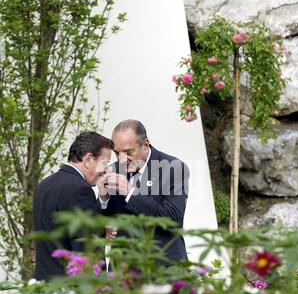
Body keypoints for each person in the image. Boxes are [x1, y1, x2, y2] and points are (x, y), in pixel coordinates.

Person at [99, 120, 189, 262]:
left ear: (145, 145)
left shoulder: (173, 167)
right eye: (117, 153)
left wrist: (130, 192)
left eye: (128, 152)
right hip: (124, 269)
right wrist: (103, 198)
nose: (122, 160)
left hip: (163, 265)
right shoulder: (114, 169)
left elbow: (173, 219)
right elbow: (110, 217)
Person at [33, 131, 114, 281]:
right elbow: (87, 247)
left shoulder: (44, 184)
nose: (106, 170)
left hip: (44, 286)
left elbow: (59, 229)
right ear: (89, 159)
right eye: (105, 163)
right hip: (69, 290)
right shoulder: (80, 189)